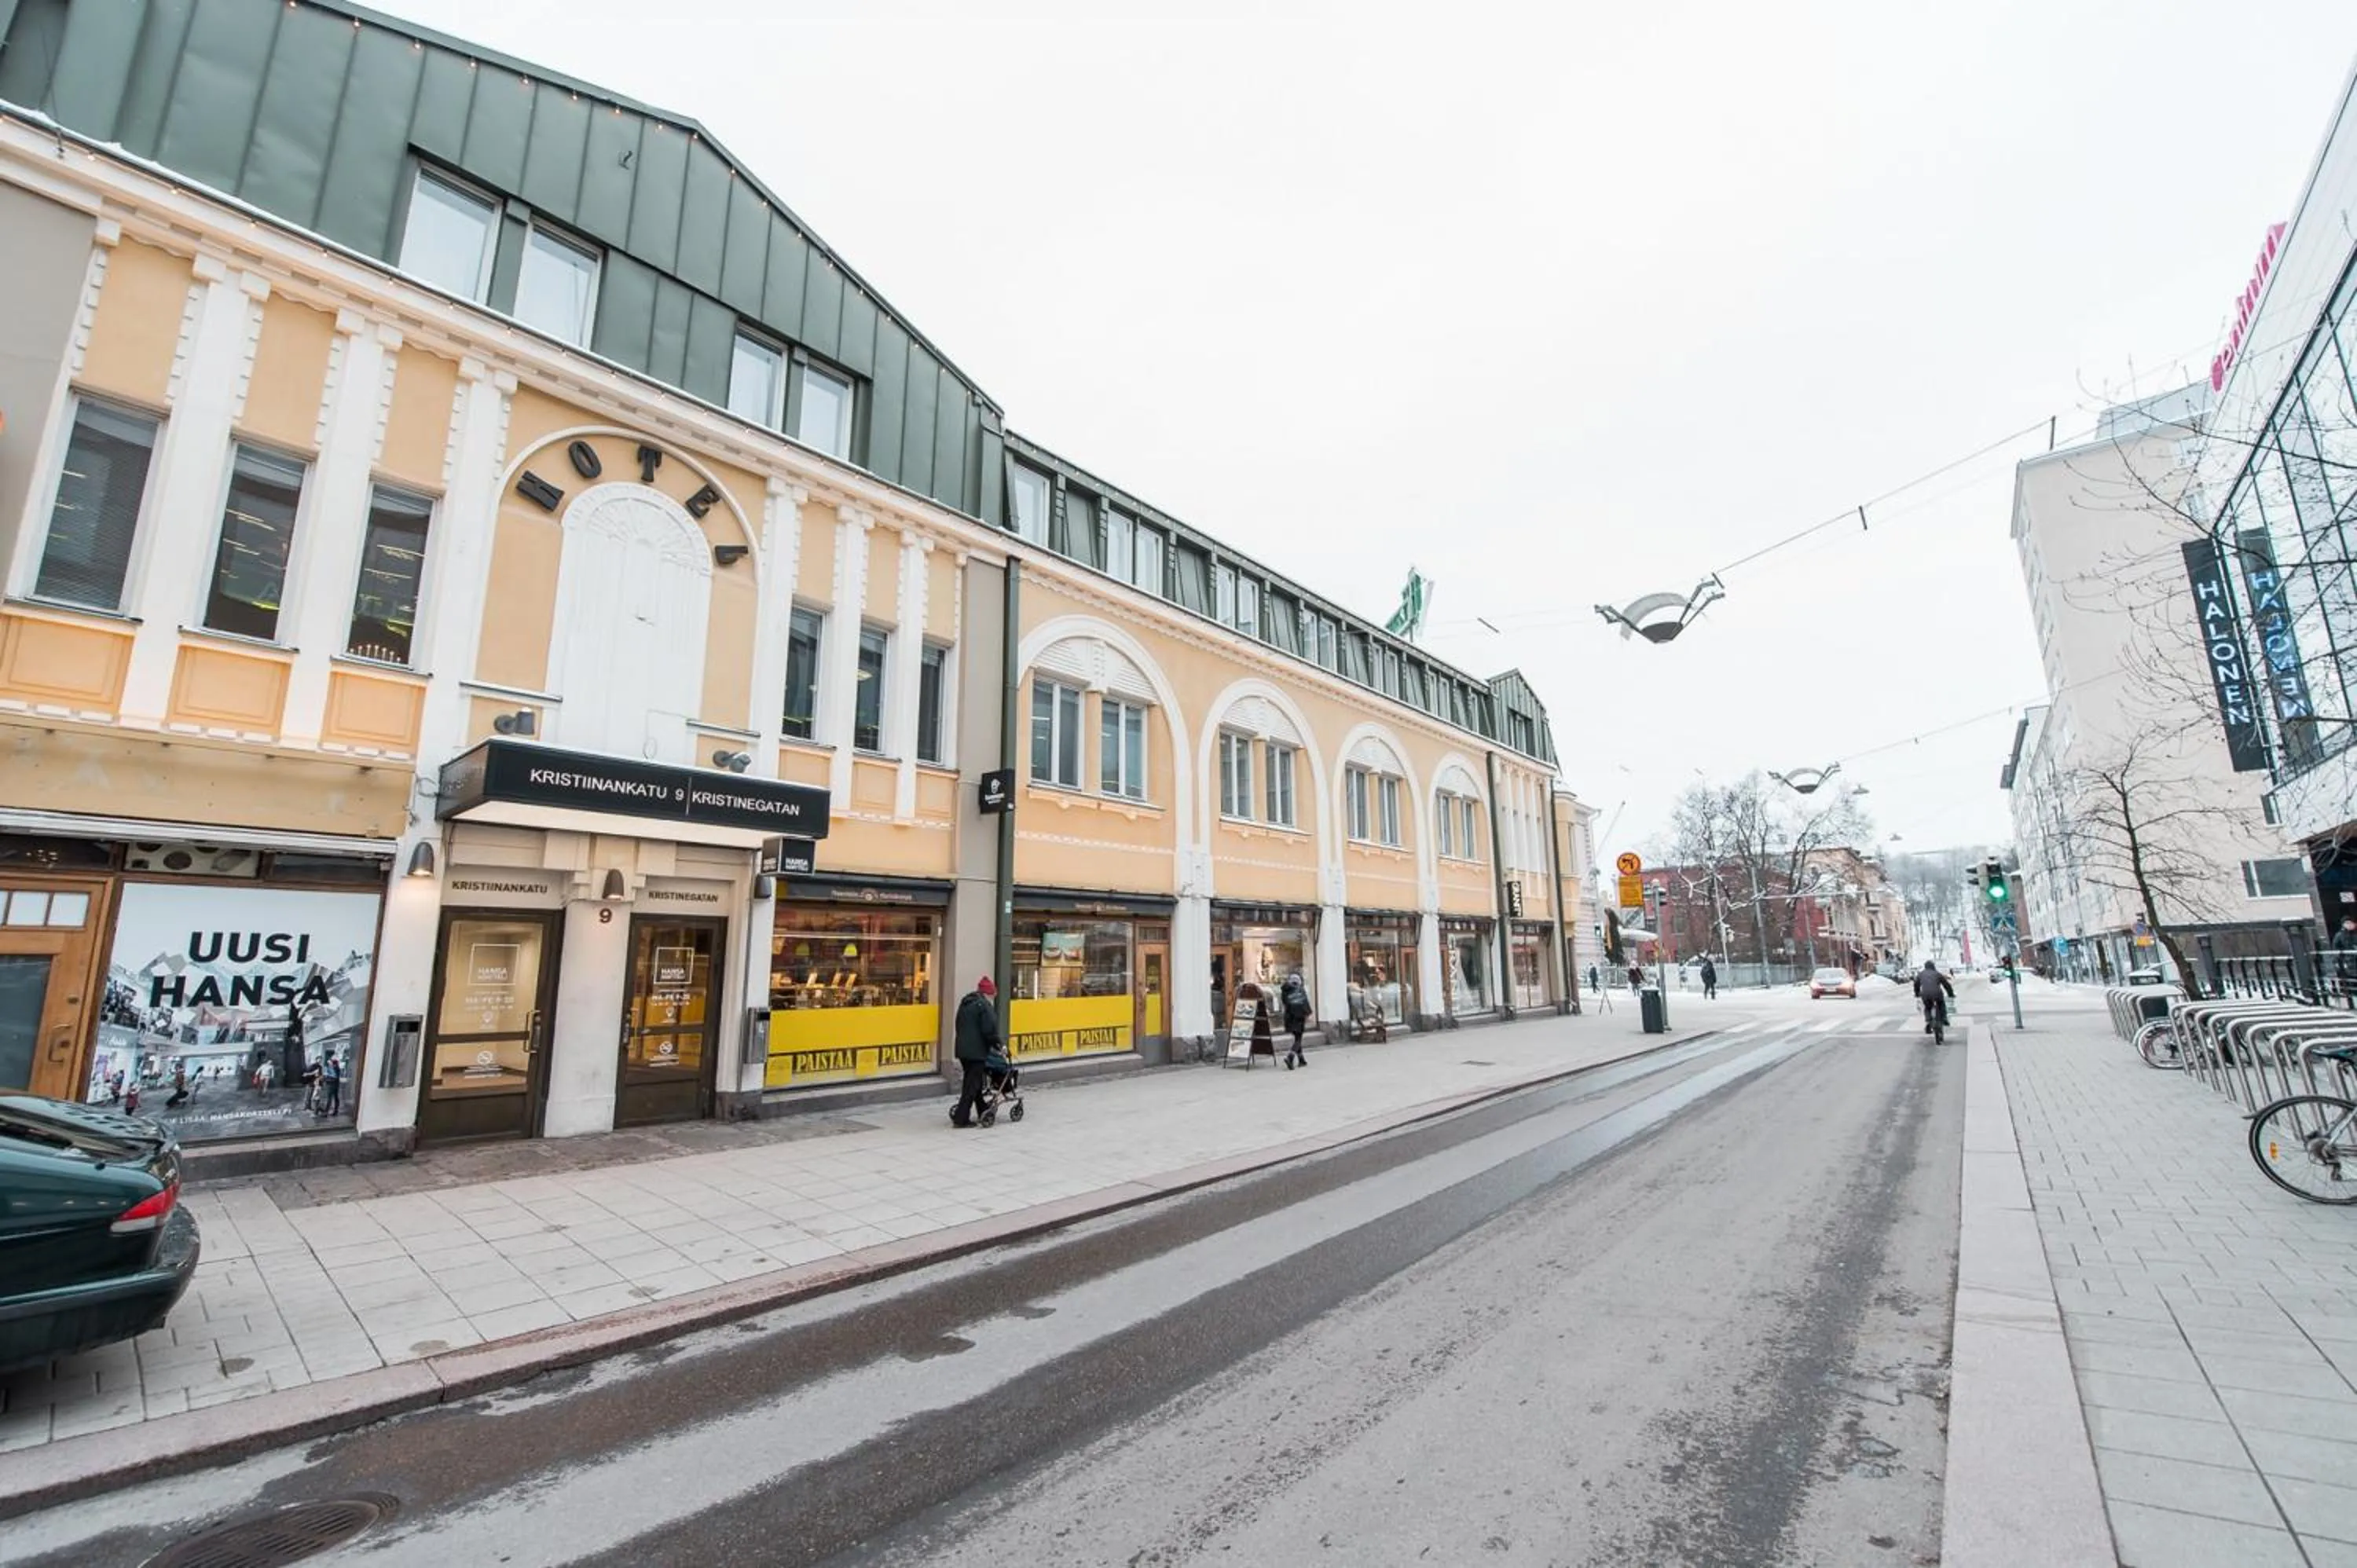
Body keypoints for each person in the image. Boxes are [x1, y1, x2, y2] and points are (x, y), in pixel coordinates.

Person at [951, 975, 1002, 1128]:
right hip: (976, 1052)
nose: (993, 998)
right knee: (971, 1085)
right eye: (993, 995)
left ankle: (982, 1109)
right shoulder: (984, 1006)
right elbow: (989, 1031)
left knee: (974, 1083)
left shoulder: (966, 1003)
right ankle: (961, 1119)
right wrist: (999, 1046)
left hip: (963, 1051)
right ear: (989, 993)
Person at [1280, 972, 1312, 1069]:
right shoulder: (1300, 990)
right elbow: (1305, 1002)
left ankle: (1301, 1060)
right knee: (1298, 1038)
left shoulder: (1285, 990)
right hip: (1299, 1017)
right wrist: (1308, 1013)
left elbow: (1284, 1002)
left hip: (1289, 1017)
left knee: (1297, 1037)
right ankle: (1290, 1056)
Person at [1915, 959, 1956, 1035]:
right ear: (1933, 966)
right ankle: (1944, 1018)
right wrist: (1951, 994)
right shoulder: (1937, 974)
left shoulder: (1921, 974)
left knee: (1927, 1007)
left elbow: (1916, 984)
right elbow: (1946, 985)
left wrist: (1917, 994)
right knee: (1941, 1004)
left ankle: (1928, 1020)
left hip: (1925, 994)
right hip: (1937, 994)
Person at [318, 1053, 343, 1117]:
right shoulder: (335, 1068)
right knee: (335, 1098)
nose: (329, 1064)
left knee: (330, 1098)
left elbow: (333, 1078)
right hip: (335, 1085)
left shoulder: (335, 1068)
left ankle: (326, 1112)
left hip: (332, 1085)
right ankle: (335, 1111)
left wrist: (325, 1080)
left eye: (330, 1062)